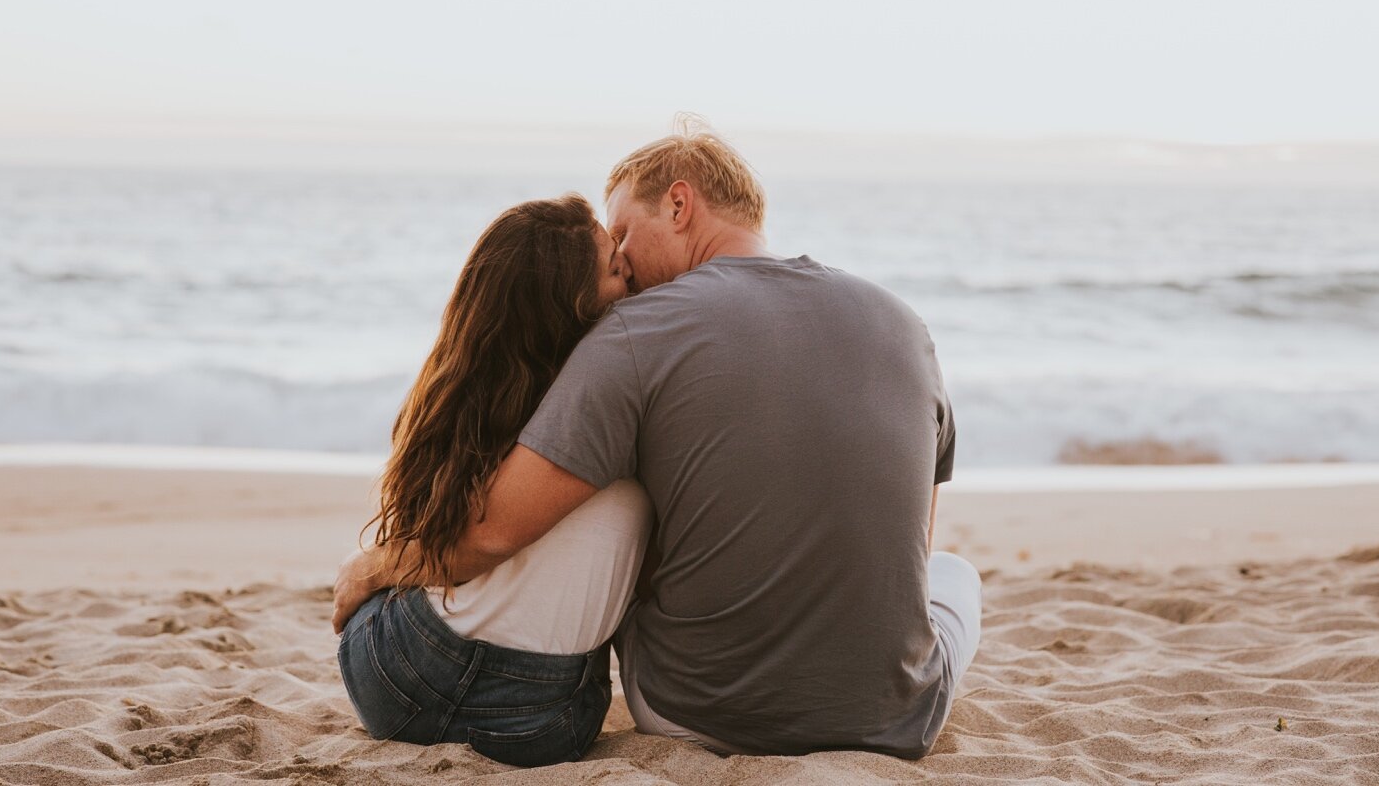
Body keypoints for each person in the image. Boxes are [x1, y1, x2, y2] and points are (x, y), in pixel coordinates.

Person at [336, 124, 982, 759]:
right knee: (953, 575)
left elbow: (492, 530)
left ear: (678, 203)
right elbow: (913, 555)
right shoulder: (905, 325)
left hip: (691, 711)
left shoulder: (636, 329)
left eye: (619, 233)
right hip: (898, 719)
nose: (620, 265)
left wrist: (374, 565)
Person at [332, 193, 652, 768]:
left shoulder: (482, 402)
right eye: (612, 264)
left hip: (405, 679)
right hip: (544, 720)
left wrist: (373, 564)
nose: (627, 262)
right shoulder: (623, 393)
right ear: (569, 302)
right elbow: (485, 541)